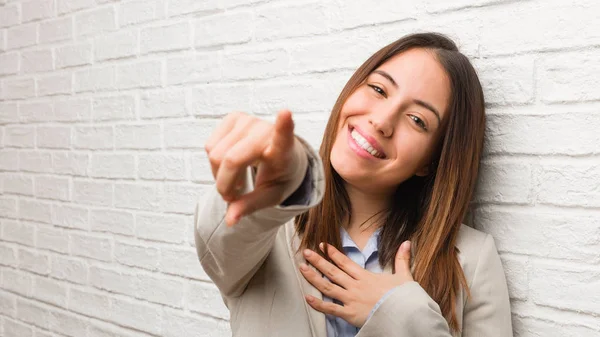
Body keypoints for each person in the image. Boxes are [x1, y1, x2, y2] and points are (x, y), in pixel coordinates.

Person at [194, 32, 513, 337]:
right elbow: (221, 235)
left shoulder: (473, 258)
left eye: (417, 120)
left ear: (431, 159)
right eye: (378, 89)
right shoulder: (266, 236)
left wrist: (402, 314)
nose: (382, 121)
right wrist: (287, 178)